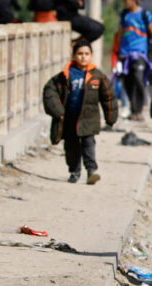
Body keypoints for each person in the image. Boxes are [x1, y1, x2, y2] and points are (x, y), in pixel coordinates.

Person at [43, 40, 118, 184]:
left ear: (91, 56)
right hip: (69, 118)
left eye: (86, 54)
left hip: (89, 118)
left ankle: (91, 171)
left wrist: (111, 118)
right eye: (80, 54)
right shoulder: (65, 75)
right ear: (73, 55)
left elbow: (109, 98)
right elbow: (49, 90)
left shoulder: (98, 76)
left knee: (88, 144)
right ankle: (74, 172)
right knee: (71, 146)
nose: (83, 57)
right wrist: (57, 110)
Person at [116, 0, 152, 121]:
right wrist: (119, 50)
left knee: (139, 79)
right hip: (125, 53)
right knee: (128, 82)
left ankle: (138, 110)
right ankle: (133, 110)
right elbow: (120, 32)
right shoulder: (124, 14)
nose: (125, 2)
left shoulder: (145, 14)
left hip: (140, 52)